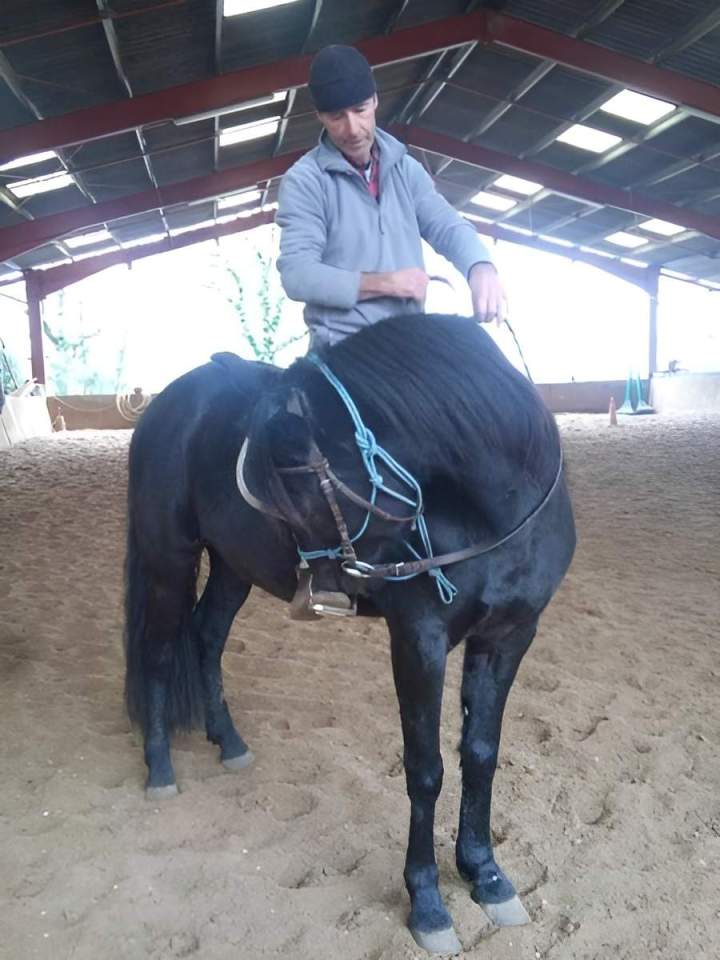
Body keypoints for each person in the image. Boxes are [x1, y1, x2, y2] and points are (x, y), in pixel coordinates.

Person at [276, 44, 507, 351]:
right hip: (344, 348)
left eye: (360, 110)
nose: (352, 129)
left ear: (374, 101)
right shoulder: (305, 181)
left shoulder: (405, 170)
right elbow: (297, 274)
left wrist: (479, 265)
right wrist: (385, 284)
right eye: (337, 117)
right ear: (320, 116)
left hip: (410, 343)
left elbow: (446, 224)